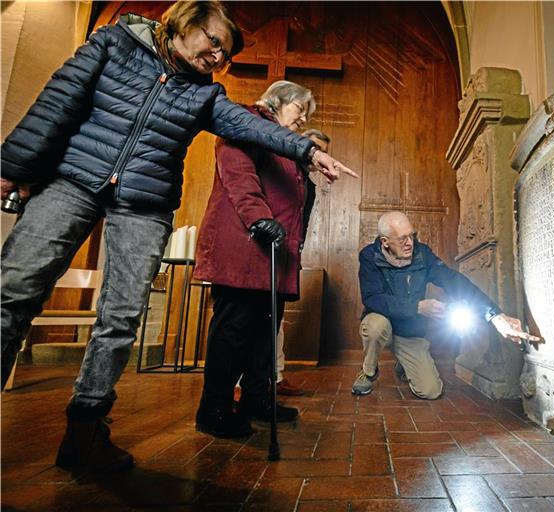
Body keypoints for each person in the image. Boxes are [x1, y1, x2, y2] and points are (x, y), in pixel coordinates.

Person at [0, 0, 355, 473]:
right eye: (214, 42)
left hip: (143, 203)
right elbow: (58, 101)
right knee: (12, 292)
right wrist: (11, 168)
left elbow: (248, 125)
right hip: (74, 180)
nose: (217, 56)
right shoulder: (113, 44)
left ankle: (86, 430)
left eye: (224, 53)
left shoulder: (205, 95)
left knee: (121, 315)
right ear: (185, 22)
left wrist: (307, 152)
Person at [193, 81, 324, 437]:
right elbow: (237, 173)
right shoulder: (248, 121)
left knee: (265, 333)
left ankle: (256, 398)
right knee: (233, 329)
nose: (304, 119)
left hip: (274, 255)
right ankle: (214, 409)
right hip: (245, 246)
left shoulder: (284, 145)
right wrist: (257, 217)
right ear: (279, 102)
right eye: (301, 110)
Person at [352, 211, 534, 399]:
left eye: (412, 236)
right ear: (385, 242)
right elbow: (373, 298)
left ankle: (404, 362)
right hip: (383, 323)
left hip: (409, 331)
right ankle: (368, 372)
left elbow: (454, 281)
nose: (409, 243)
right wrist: (418, 307)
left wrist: (494, 314)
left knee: (430, 391)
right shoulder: (369, 256)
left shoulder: (422, 254)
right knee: (374, 326)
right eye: (402, 239)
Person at [271, 128, 332, 397]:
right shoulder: (280, 170)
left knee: (277, 318)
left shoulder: (310, 186)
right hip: (266, 253)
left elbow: (302, 225)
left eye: (324, 152)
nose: (318, 155)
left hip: (289, 255)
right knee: (255, 319)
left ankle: (276, 376)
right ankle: (240, 384)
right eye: (315, 148)